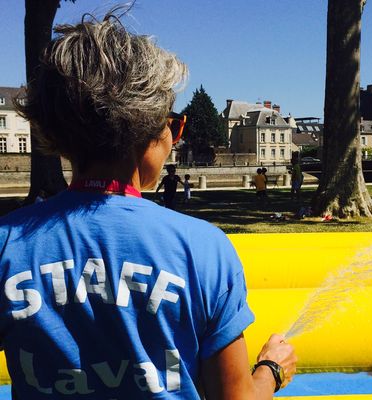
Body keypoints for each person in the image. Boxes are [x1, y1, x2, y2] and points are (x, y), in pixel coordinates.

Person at [2, 12, 296, 399]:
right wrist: (272, 370)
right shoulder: (201, 248)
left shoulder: (8, 243)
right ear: (151, 131)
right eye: (172, 125)